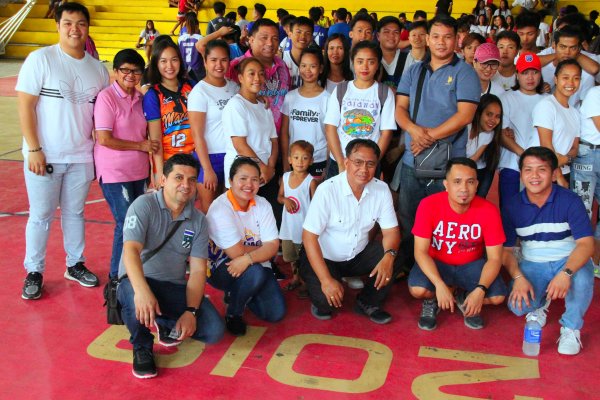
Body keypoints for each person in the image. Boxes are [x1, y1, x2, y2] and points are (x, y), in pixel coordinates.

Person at [17, 2, 109, 300]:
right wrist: (34, 149)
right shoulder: (40, 59)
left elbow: (101, 117)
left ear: (87, 28)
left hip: (82, 156)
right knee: (41, 215)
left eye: (80, 23)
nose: (74, 29)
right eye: (68, 23)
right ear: (58, 26)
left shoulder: (98, 69)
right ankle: (34, 271)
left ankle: (75, 264)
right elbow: (26, 106)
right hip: (45, 155)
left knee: (75, 214)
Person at [117, 154, 224, 378]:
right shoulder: (144, 205)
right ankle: (142, 347)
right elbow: (130, 250)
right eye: (179, 177)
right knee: (134, 297)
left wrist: (191, 311)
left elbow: (196, 271)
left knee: (214, 331)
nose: (186, 185)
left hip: (171, 286)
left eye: (192, 180)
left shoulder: (198, 221)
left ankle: (165, 321)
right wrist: (143, 291)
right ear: (163, 180)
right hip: (137, 280)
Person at [395, 14, 481, 278]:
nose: (441, 42)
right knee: (409, 216)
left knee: (443, 221)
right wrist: (413, 131)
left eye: (447, 37)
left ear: (457, 40)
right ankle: (411, 267)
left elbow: (465, 115)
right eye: (436, 36)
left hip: (448, 162)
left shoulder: (464, 72)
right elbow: (400, 109)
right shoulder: (414, 70)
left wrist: (427, 136)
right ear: (427, 40)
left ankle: (440, 270)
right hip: (414, 157)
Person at [502, 147, 594, 355]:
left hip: (568, 260)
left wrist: (566, 273)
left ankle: (571, 328)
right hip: (533, 263)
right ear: (522, 173)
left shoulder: (570, 200)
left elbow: (586, 244)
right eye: (528, 170)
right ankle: (540, 304)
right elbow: (506, 251)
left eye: (541, 170)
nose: (534, 176)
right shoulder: (511, 205)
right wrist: (518, 277)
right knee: (518, 307)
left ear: (554, 174)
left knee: (582, 279)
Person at [299, 139, 401, 324]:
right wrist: (326, 280)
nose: (364, 169)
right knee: (326, 305)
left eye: (370, 164)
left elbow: (391, 232)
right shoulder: (327, 191)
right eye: (358, 162)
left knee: (393, 255)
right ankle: (320, 283)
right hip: (324, 257)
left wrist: (389, 256)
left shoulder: (381, 189)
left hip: (357, 255)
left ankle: (367, 301)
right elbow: (308, 237)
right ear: (346, 162)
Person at [409, 158, 507, 330]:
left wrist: (480, 290)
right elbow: (420, 252)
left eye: (470, 182)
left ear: (477, 184)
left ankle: (464, 297)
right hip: (438, 263)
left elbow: (495, 258)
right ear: (446, 184)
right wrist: (439, 285)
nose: (464, 188)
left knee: (498, 297)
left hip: (471, 265)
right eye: (457, 182)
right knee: (417, 289)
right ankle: (433, 300)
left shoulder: (489, 210)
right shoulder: (428, 205)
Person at [93, 49, 157, 280]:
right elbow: (104, 138)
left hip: (139, 171)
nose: (131, 75)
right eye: (125, 70)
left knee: (140, 222)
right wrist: (140, 146)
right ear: (116, 71)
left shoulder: (141, 98)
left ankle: (136, 271)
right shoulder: (106, 98)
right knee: (125, 223)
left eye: (136, 71)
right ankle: (116, 277)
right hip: (114, 172)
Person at [206, 157, 286, 336]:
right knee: (255, 272)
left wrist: (249, 257)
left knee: (275, 313)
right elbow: (236, 252)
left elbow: (274, 245)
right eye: (243, 178)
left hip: (251, 263)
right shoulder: (220, 208)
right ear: (230, 181)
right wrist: (261, 249)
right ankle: (234, 312)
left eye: (255, 179)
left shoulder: (262, 204)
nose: (249, 184)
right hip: (221, 268)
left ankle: (243, 291)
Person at [324, 40, 396, 178]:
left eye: (371, 61)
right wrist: (340, 162)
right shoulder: (341, 90)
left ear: (377, 66)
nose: (365, 66)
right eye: (360, 61)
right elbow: (330, 128)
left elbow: (386, 133)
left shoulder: (384, 93)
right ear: (352, 63)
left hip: (368, 164)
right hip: (340, 160)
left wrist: (371, 163)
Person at [188, 39, 239, 214]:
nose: (219, 65)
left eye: (224, 60)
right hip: (209, 157)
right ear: (205, 62)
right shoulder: (199, 92)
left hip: (232, 155)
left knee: (230, 210)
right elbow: (197, 134)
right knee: (210, 213)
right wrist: (208, 169)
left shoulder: (234, 87)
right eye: (214, 60)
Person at [498, 52, 548, 206]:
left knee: (538, 213)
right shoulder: (506, 98)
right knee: (510, 214)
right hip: (511, 165)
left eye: (535, 72)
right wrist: (525, 155)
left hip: (541, 168)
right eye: (525, 73)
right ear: (517, 75)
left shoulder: (548, 101)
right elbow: (501, 134)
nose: (530, 77)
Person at [143, 37, 195, 184]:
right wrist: (160, 173)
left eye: (174, 60)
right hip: (170, 164)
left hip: (194, 160)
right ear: (156, 64)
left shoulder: (192, 86)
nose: (169, 66)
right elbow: (155, 139)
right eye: (163, 61)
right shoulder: (153, 95)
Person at [222, 57, 278, 192]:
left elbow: (274, 141)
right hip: (243, 177)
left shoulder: (264, 106)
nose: (257, 78)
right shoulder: (236, 105)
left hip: (265, 176)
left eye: (261, 74)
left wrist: (270, 167)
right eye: (251, 74)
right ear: (241, 78)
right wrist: (262, 168)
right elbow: (240, 145)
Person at [227, 18, 290, 134]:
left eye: (275, 38)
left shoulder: (282, 65)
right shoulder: (235, 66)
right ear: (251, 40)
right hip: (251, 141)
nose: (270, 43)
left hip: (280, 138)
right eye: (264, 38)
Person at [532, 59, 581, 188]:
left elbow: (574, 148)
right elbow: (546, 146)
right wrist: (559, 176)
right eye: (565, 77)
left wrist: (566, 159)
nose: (571, 83)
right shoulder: (547, 106)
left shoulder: (575, 113)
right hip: (543, 173)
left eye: (576, 78)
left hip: (564, 172)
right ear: (556, 79)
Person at [281, 48, 329, 179]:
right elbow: (284, 133)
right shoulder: (290, 97)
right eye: (303, 65)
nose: (307, 70)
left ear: (320, 69)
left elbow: (331, 135)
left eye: (313, 66)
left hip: (318, 159)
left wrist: (328, 165)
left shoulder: (328, 99)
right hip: (294, 160)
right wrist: (286, 162)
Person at [278, 140, 318, 294]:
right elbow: (279, 197)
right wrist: (285, 200)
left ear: (311, 161)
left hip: (303, 227)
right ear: (289, 159)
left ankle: (307, 282)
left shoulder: (311, 182)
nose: (300, 162)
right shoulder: (286, 177)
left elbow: (316, 207)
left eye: (305, 158)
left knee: (305, 256)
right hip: (289, 226)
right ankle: (296, 279)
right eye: (296, 157)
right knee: (292, 256)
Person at [571, 86, 600, 278]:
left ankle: (595, 261)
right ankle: (576, 262)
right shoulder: (596, 93)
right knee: (582, 210)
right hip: (589, 154)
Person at [540, 27, 596, 108]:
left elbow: (586, 108)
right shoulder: (540, 69)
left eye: (573, 48)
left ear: (579, 49)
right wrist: (537, 88)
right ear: (554, 45)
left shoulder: (587, 75)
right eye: (562, 47)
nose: (567, 52)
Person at [466, 94, 502, 197]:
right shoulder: (466, 127)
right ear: (479, 112)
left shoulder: (489, 134)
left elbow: (473, 160)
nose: (493, 120)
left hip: (478, 169)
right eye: (489, 114)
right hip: (461, 170)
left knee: (479, 200)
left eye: (497, 117)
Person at [282, 16, 314, 90]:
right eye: (298, 32)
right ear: (290, 34)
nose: (303, 36)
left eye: (307, 33)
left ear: (312, 37)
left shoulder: (315, 62)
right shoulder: (281, 59)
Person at [378, 16, 404, 92]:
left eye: (396, 32)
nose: (391, 35)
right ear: (378, 36)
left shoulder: (409, 59)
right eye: (386, 32)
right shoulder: (370, 58)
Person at [178, 12, 204, 81]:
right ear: (197, 26)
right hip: (197, 68)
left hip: (184, 68)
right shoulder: (200, 38)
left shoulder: (180, 38)